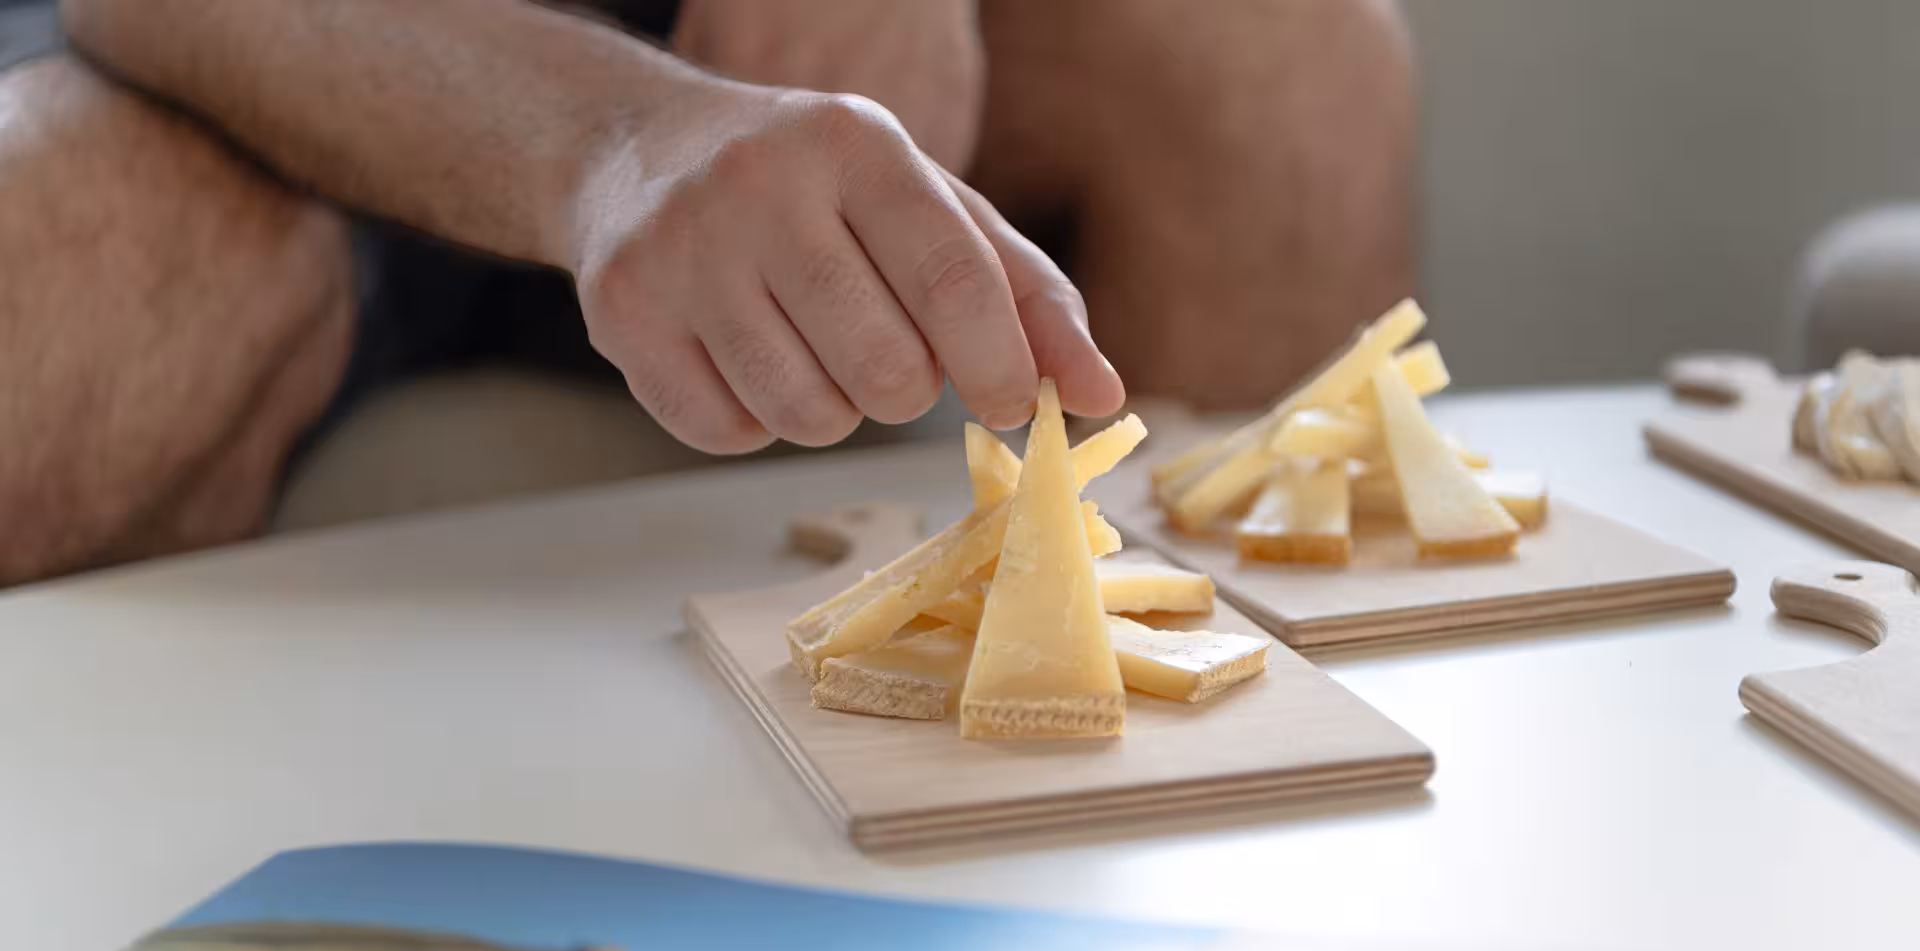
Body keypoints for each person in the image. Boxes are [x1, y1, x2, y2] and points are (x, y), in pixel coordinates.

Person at [0, 0, 1415, 585]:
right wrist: (615, 133)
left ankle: (1219, 731)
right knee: (43, 272)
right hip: (257, 71)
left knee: (1289, 58)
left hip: (729, 40)